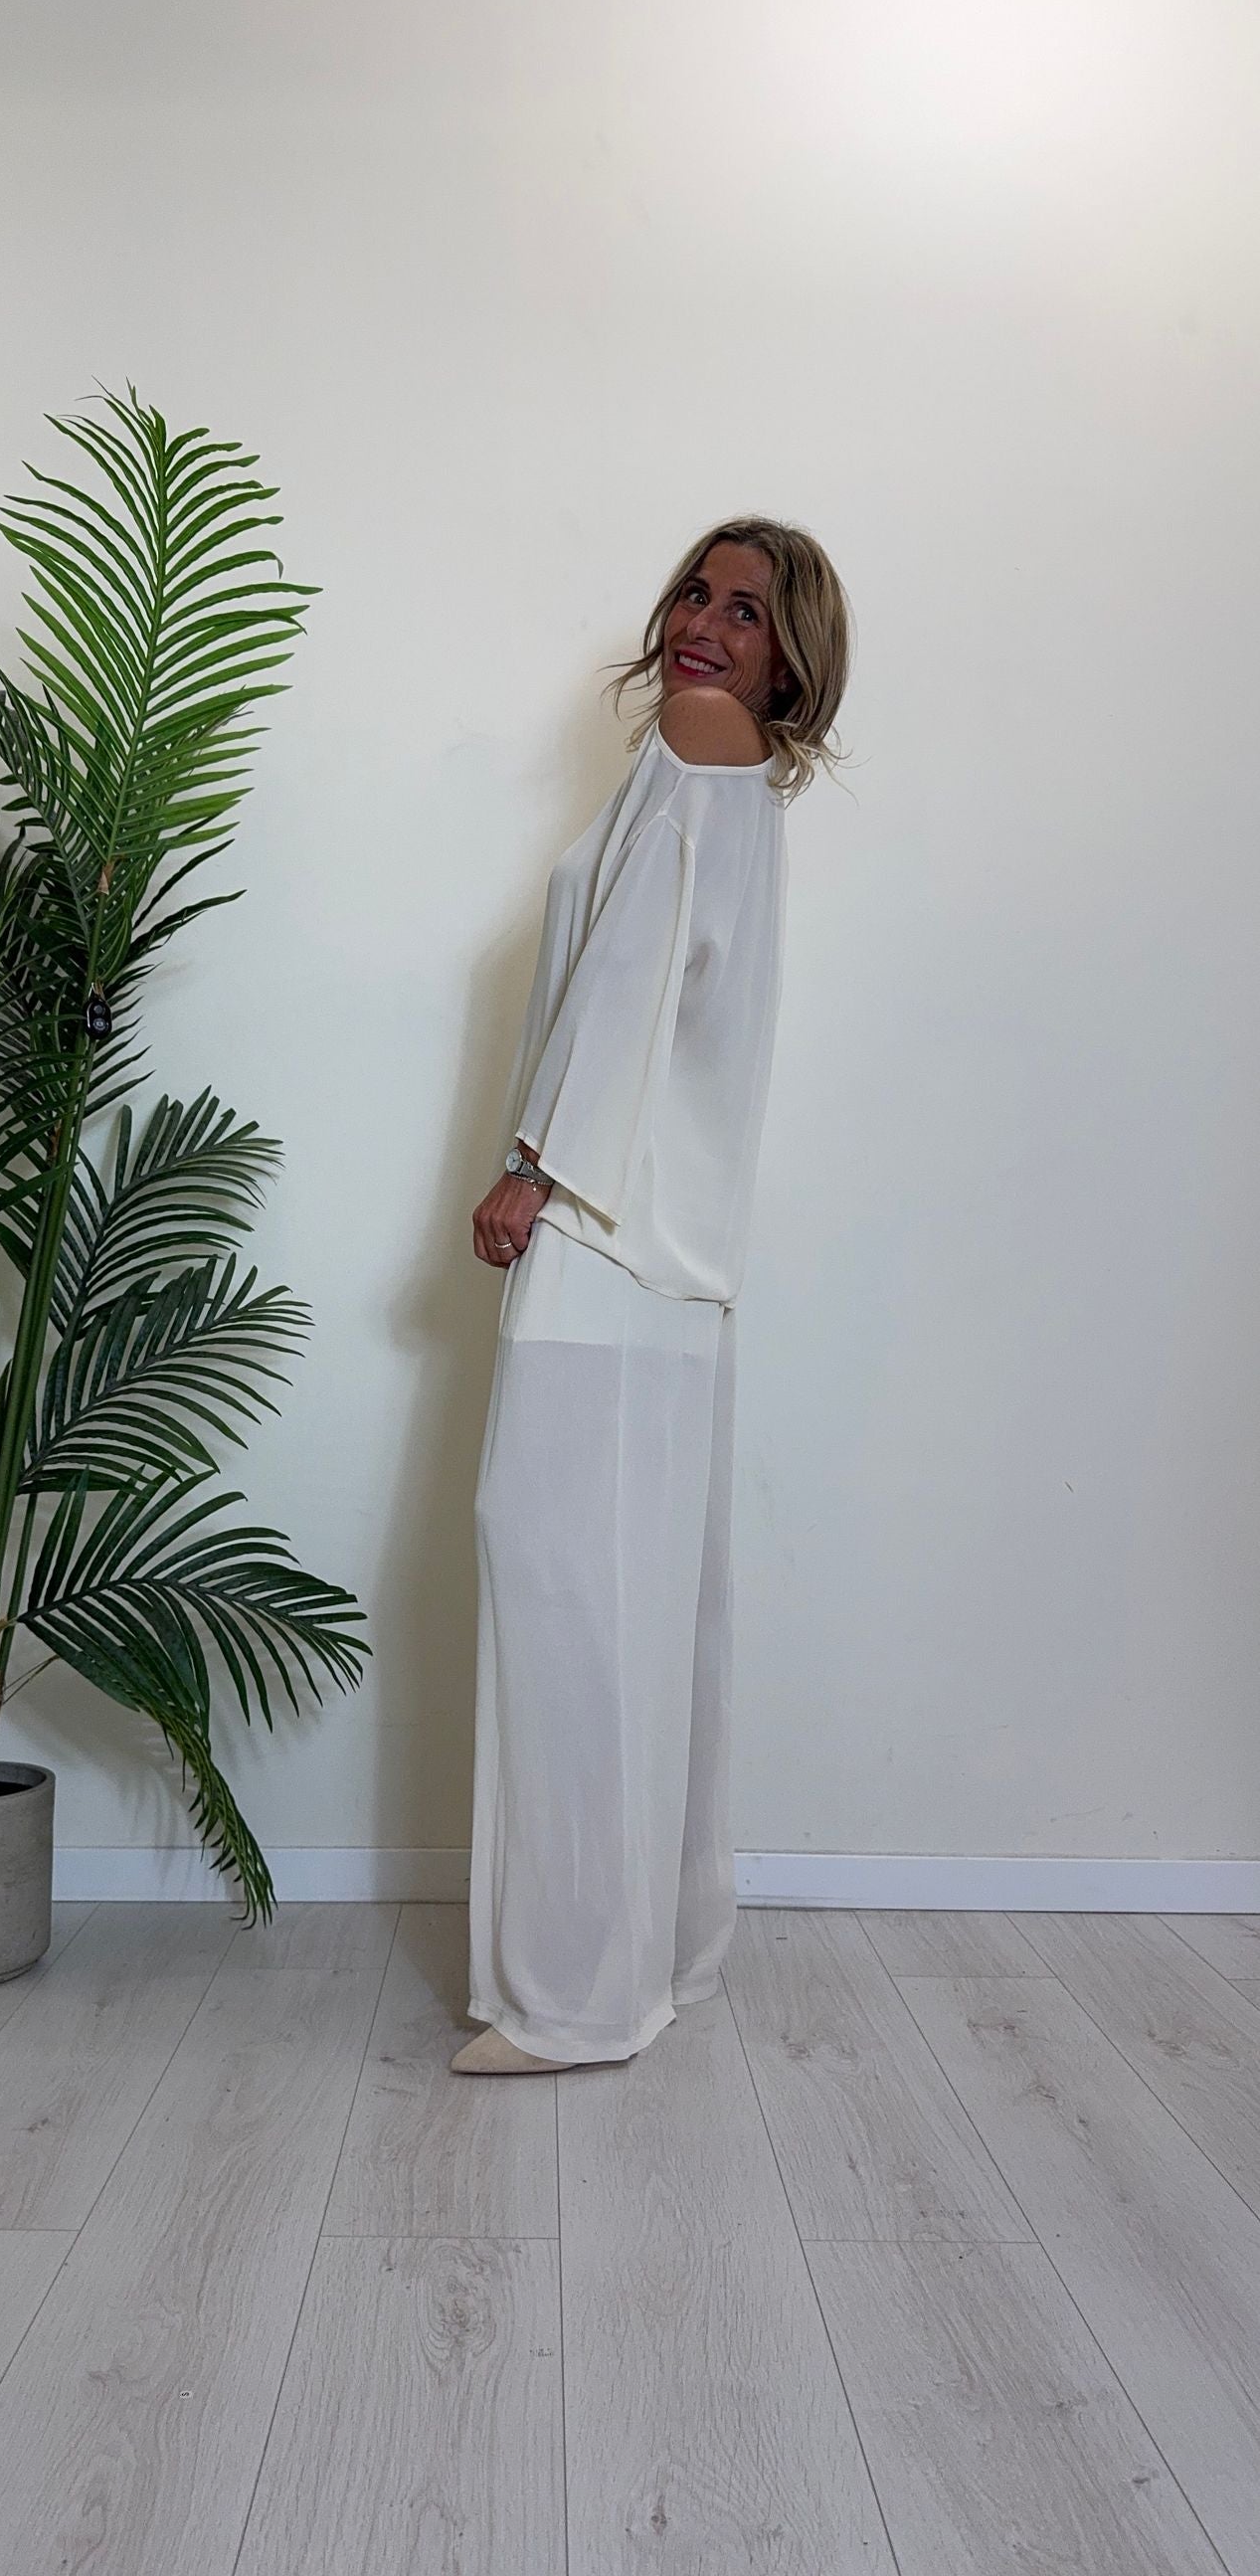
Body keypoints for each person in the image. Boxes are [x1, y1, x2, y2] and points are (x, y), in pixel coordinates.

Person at [453, 518, 852, 2075]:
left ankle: (572, 2000)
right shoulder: (729, 768)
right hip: (673, 1264)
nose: (703, 624)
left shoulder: (696, 738)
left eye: (748, 612)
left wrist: (532, 1166)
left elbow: (626, 979)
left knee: (562, 1596)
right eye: (697, 591)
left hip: (606, 1236)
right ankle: (662, 1953)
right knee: (643, 1607)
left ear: (790, 661)